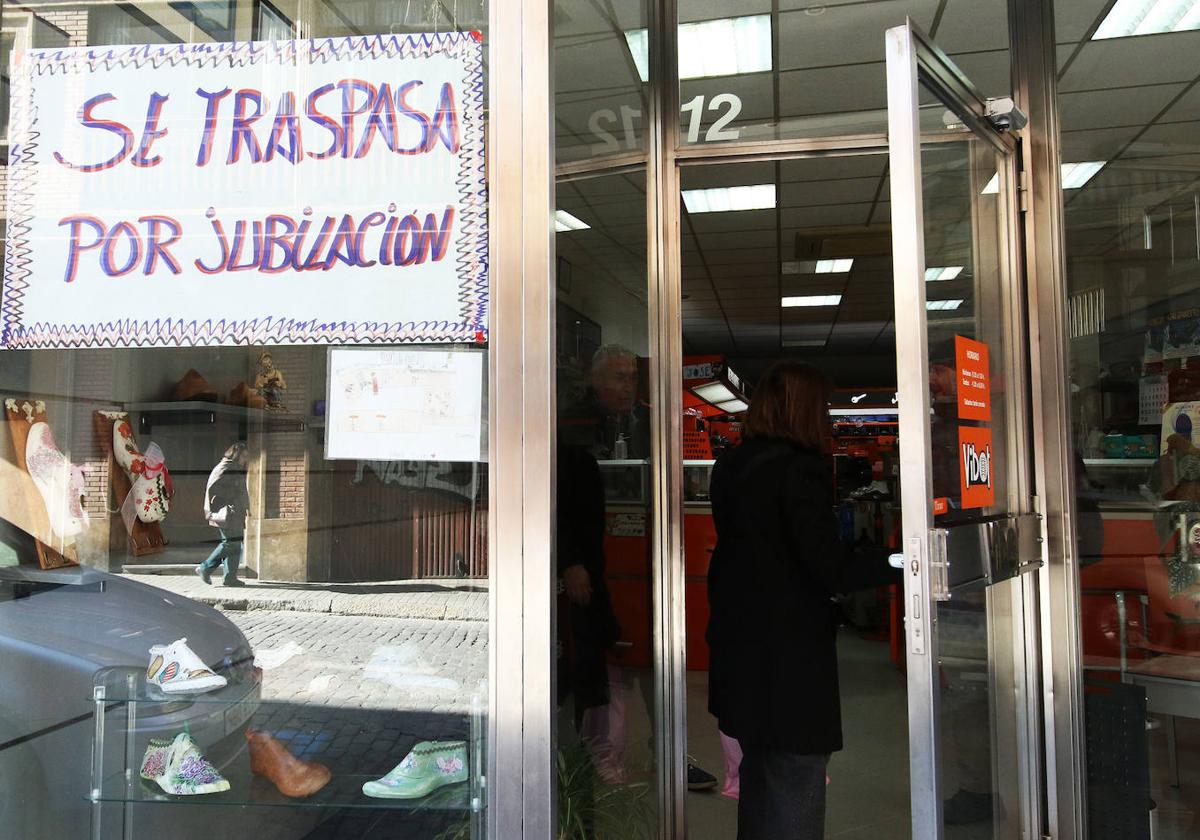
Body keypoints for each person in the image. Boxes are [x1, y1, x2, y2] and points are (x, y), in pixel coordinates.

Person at [706, 362, 898, 840]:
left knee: (758, 772)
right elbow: (825, 564)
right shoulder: (800, 469)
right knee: (797, 774)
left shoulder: (730, 464)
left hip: (739, 644)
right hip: (789, 656)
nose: (828, 418)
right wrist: (899, 562)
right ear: (804, 410)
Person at [197, 442, 250, 587]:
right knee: (229, 544)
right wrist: (233, 495)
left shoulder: (235, 468)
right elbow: (214, 489)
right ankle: (205, 568)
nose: (245, 459)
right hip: (228, 512)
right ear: (236, 454)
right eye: (244, 456)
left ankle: (230, 577)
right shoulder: (225, 467)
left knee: (235, 545)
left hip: (235, 512)